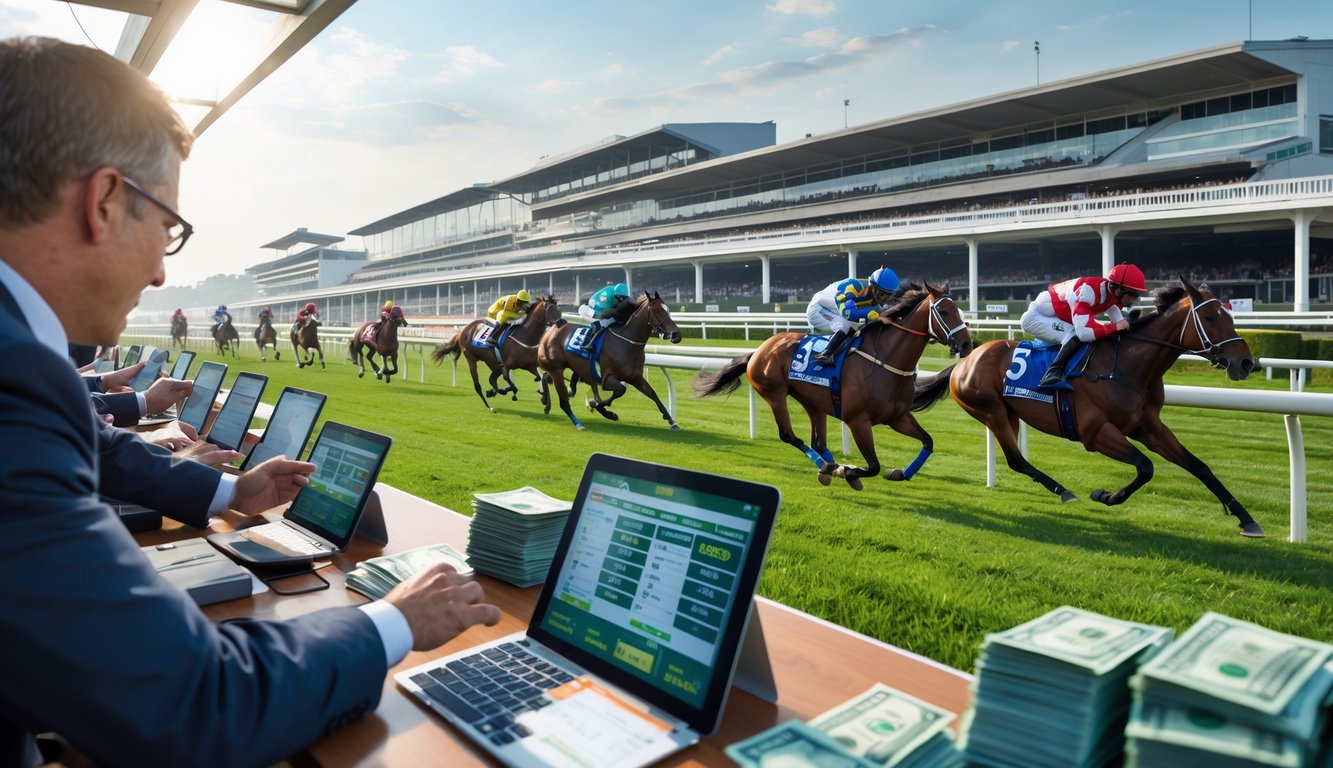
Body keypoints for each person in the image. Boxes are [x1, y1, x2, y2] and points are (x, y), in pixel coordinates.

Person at [0, 37, 499, 767]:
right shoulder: (15, 373)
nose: (164, 273)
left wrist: (232, 488)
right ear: (104, 201)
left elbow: (86, 443)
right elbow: (195, 703)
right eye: (167, 227)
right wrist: (392, 621)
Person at [1020, 262, 1146, 391]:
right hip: (1036, 317)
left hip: (1059, 316)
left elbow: (1121, 326)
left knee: (1100, 332)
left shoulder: (1112, 296)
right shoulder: (1088, 291)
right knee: (1074, 335)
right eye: (1133, 294)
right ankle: (1052, 374)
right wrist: (1115, 327)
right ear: (1119, 289)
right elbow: (1083, 334)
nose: (1135, 299)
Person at [807, 266, 900, 364]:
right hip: (818, 308)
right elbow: (846, 313)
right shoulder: (854, 287)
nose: (884, 299)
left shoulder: (874, 295)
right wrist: (873, 315)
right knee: (845, 325)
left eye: (888, 295)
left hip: (832, 307)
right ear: (873, 287)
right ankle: (825, 354)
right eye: (882, 294)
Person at [577, 282, 629, 351]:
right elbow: (602, 315)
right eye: (621, 298)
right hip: (588, 310)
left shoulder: (619, 293)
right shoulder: (606, 296)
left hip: (601, 309)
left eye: (624, 298)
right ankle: (587, 343)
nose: (622, 300)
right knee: (601, 323)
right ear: (617, 295)